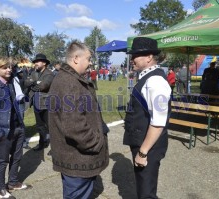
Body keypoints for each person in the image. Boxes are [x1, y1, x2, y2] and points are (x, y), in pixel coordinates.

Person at [48, 41, 109, 199]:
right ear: (76, 58)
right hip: (77, 158)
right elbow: (74, 126)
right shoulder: (69, 83)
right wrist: (96, 142)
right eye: (88, 59)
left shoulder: (69, 79)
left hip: (76, 158)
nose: (90, 63)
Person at [123, 37, 171, 199]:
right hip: (143, 142)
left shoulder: (155, 81)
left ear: (149, 57)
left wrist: (143, 153)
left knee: (146, 194)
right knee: (143, 189)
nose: (132, 59)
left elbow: (158, 122)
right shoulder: (148, 78)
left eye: (135, 55)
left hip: (148, 147)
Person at [0, 56, 29, 199]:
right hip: (3, 130)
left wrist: (21, 124)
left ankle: (13, 182)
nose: (9, 69)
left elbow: (16, 103)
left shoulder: (9, 83)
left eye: (10, 67)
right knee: (3, 161)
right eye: (5, 67)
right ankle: (0, 189)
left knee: (17, 157)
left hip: (17, 127)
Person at [24, 53, 54, 151]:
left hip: (47, 104)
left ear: (44, 63)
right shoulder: (33, 72)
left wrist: (34, 83)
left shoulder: (49, 73)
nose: (36, 63)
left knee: (51, 127)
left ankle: (55, 148)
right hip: (36, 103)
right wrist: (35, 82)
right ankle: (42, 144)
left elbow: (43, 86)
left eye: (38, 61)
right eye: (35, 61)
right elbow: (26, 82)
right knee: (40, 126)